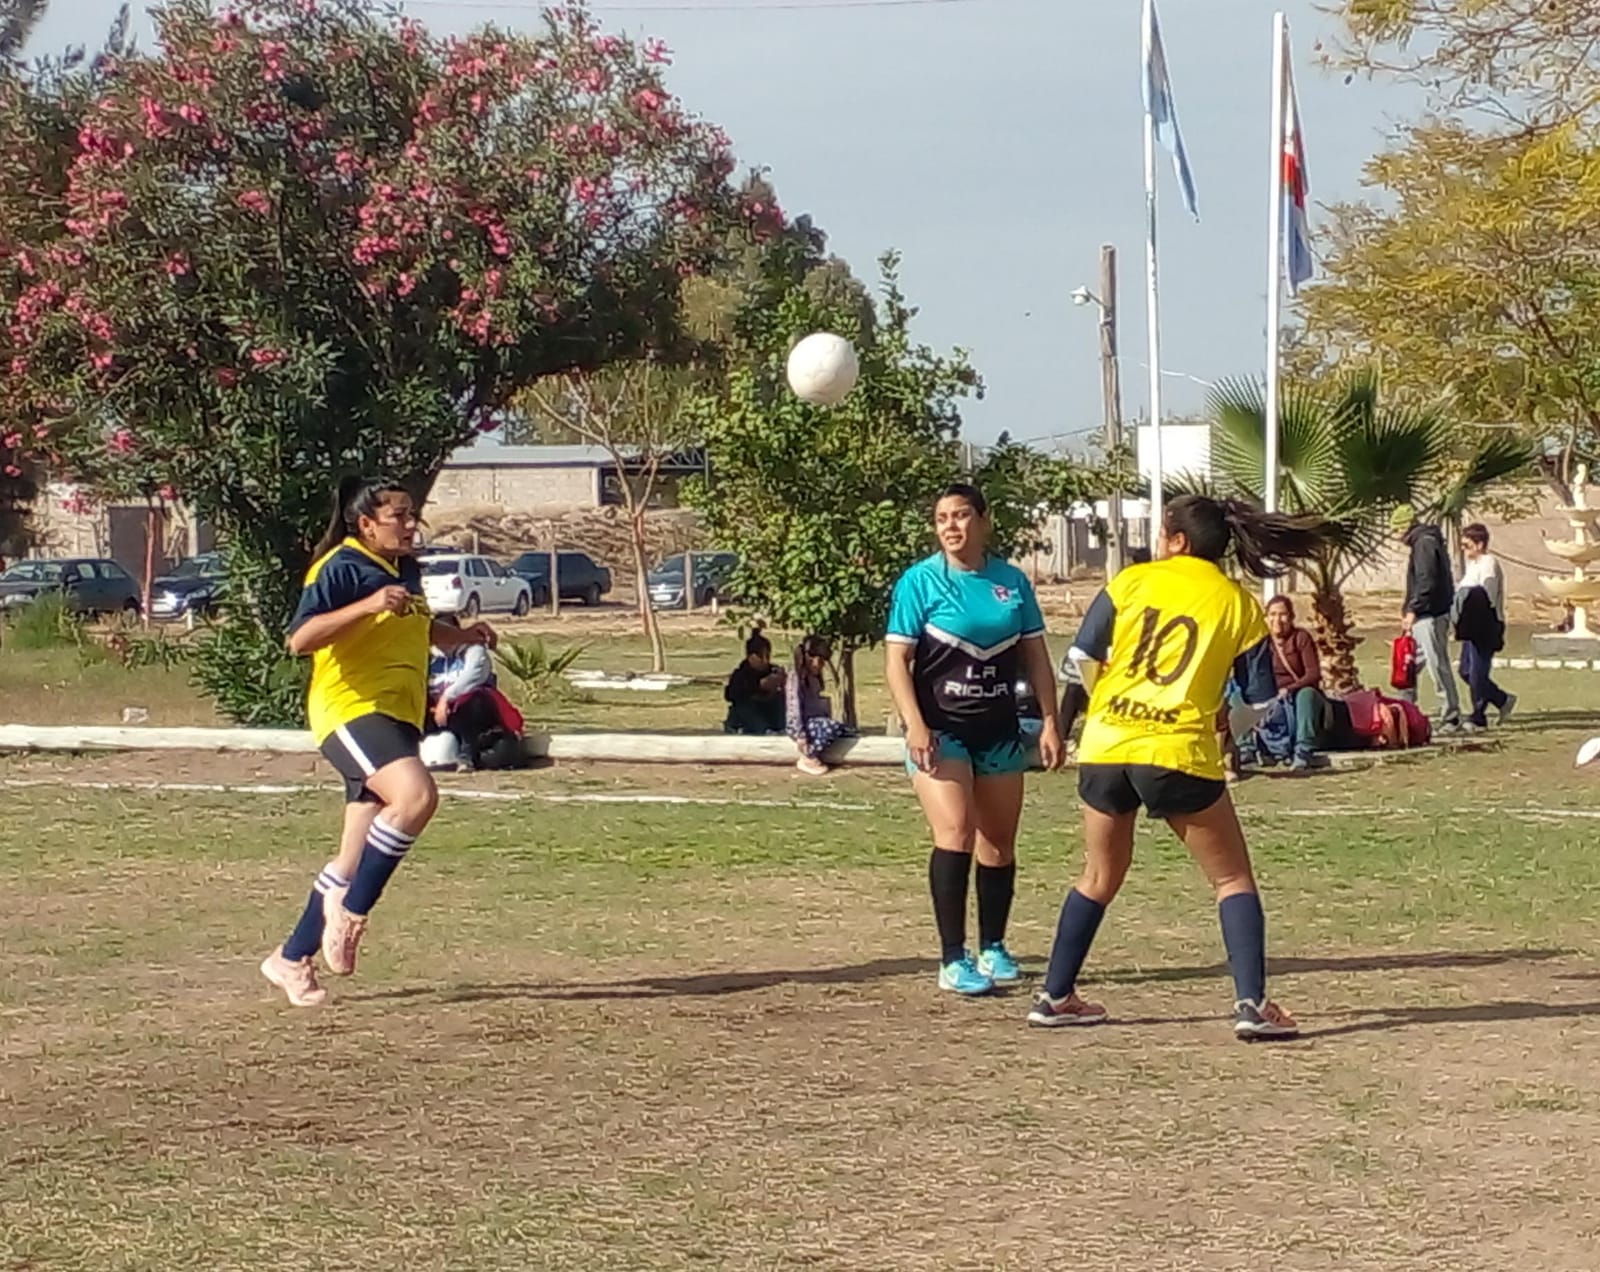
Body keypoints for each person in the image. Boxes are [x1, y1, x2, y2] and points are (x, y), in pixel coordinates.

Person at [1030, 493, 1332, 1040]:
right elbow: (1260, 699)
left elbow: (1079, 661)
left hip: (1105, 747)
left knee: (1098, 876)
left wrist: (1109, 712)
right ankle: (1253, 1005)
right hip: (1177, 752)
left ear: (1178, 542)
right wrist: (1224, 734)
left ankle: (1054, 996)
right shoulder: (1236, 603)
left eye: (1163, 532)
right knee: (1231, 877)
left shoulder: (1130, 583)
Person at [260, 476, 497, 1008]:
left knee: (351, 859)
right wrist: (366, 605)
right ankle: (352, 911)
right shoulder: (340, 567)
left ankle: (291, 959)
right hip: (350, 711)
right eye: (400, 517)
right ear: (366, 524)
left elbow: (415, 625)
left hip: (396, 715)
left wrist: (463, 636)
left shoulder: (404, 568)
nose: (412, 525)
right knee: (416, 797)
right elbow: (300, 639)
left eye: (414, 515)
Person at [885, 483, 1063, 996]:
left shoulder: (1011, 582)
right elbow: (896, 659)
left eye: (961, 515)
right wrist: (914, 723)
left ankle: (993, 946)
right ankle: (951, 957)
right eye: (942, 518)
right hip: (940, 730)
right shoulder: (920, 582)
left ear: (984, 520)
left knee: (998, 843)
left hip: (999, 730)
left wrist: (1051, 721)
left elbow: (1036, 656)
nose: (951, 526)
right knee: (956, 831)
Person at [1393, 505, 1461, 732]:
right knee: (1408, 665)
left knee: (1437, 665)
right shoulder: (1425, 542)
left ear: (1404, 527)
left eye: (1395, 531)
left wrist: (1413, 609)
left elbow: (1426, 581)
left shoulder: (1424, 544)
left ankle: (1451, 715)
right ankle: (1405, 708)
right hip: (1423, 614)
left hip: (1429, 615)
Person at [1238, 595, 1326, 771]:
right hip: (1271, 697)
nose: (1277, 620)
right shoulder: (1260, 643)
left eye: (1282, 614)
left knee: (1306, 695)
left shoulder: (1301, 638)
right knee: (1238, 696)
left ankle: (1303, 750)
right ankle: (1246, 747)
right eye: (1272, 614)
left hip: (1299, 694)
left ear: (1291, 617)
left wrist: (1289, 689)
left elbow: (1313, 674)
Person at [1457, 523, 1516, 731]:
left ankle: (1478, 715)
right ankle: (1501, 699)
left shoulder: (1489, 564)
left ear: (1480, 544)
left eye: (1468, 545)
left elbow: (1487, 596)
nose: (1464, 550)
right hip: (1470, 626)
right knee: (1465, 670)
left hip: (1485, 624)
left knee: (1477, 672)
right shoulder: (1472, 565)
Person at [786, 634, 851, 775]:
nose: (822, 666)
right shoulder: (796, 678)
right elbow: (794, 707)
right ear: (810, 658)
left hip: (813, 722)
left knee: (843, 729)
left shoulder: (814, 678)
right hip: (800, 726)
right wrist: (800, 735)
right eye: (820, 661)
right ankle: (808, 756)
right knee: (830, 727)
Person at [724, 626, 786, 735]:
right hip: (746, 717)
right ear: (751, 657)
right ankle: (763, 729)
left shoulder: (772, 670)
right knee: (745, 706)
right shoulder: (740, 674)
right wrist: (758, 686)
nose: (766, 661)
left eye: (768, 656)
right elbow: (730, 695)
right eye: (762, 657)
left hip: (767, 711)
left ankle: (781, 727)